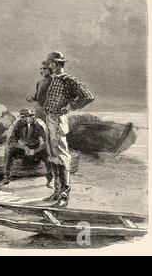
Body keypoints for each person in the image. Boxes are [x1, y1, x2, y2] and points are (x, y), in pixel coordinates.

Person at [43, 51, 95, 208]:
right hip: (50, 119)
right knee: (53, 155)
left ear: (57, 64)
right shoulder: (54, 79)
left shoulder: (68, 80)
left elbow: (88, 96)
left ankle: (64, 196)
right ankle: (57, 192)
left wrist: (70, 106)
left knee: (62, 156)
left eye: (50, 63)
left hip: (58, 120)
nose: (48, 66)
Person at [0, 109, 51, 187]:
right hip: (23, 149)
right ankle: (6, 177)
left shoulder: (40, 124)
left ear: (32, 117)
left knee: (48, 151)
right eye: (22, 117)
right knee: (9, 149)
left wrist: (35, 151)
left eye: (26, 117)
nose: (24, 119)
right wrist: (23, 147)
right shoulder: (19, 124)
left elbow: (47, 142)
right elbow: (12, 141)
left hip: (37, 150)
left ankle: (50, 179)